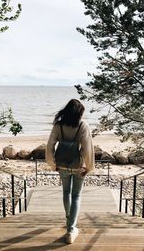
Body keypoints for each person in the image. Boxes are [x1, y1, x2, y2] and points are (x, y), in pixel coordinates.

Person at [46, 99, 95, 244]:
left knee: (66, 192)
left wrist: (51, 164)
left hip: (61, 165)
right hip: (77, 166)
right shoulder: (82, 125)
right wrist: (89, 167)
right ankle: (71, 228)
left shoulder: (58, 125)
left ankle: (69, 218)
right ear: (80, 113)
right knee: (76, 195)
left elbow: (50, 146)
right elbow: (87, 148)